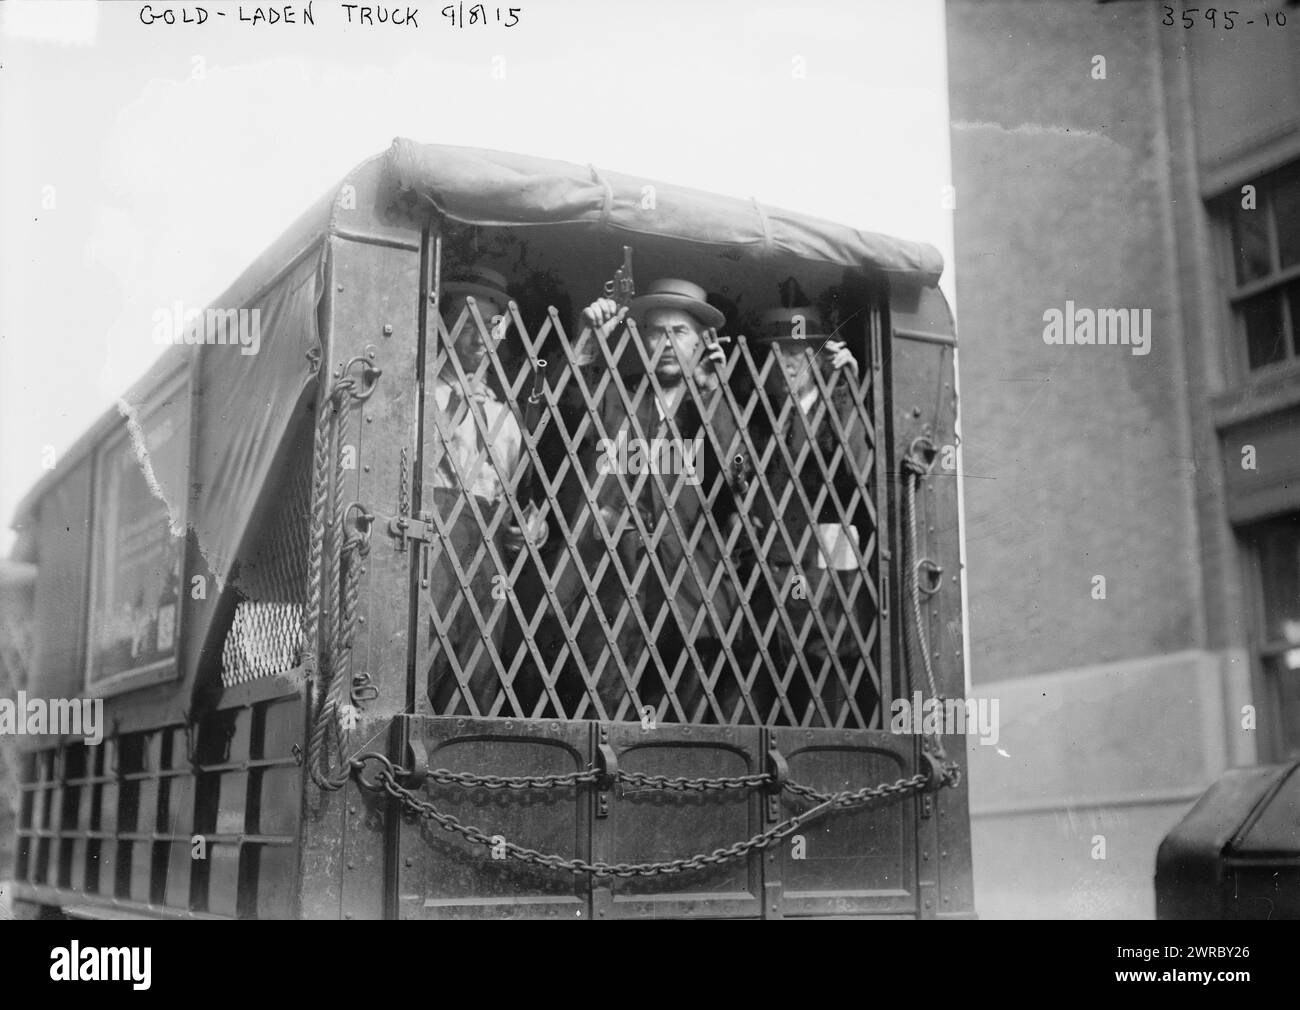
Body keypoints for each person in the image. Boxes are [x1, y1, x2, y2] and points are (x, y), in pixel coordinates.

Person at [577, 279, 747, 722]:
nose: (667, 343)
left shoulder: (718, 403)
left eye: (680, 332)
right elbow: (566, 413)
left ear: (701, 342)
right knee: (610, 719)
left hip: (695, 594)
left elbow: (739, 478)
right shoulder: (620, 397)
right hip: (622, 592)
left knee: (687, 725)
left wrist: (713, 394)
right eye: (656, 332)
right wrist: (590, 343)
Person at [425, 265, 547, 716]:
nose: (481, 337)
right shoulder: (422, 396)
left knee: (479, 662)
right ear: (445, 325)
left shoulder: (504, 414)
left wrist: (529, 529)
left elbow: (517, 495)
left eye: (493, 325)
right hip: (437, 537)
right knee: (430, 649)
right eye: (467, 322)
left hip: (488, 547)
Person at [750, 305, 872, 725]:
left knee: (829, 665)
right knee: (777, 671)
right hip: (776, 569)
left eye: (801, 352)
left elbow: (858, 469)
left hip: (827, 563)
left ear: (820, 358)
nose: (789, 362)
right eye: (780, 352)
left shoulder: (838, 405)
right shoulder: (762, 418)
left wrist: (848, 391)